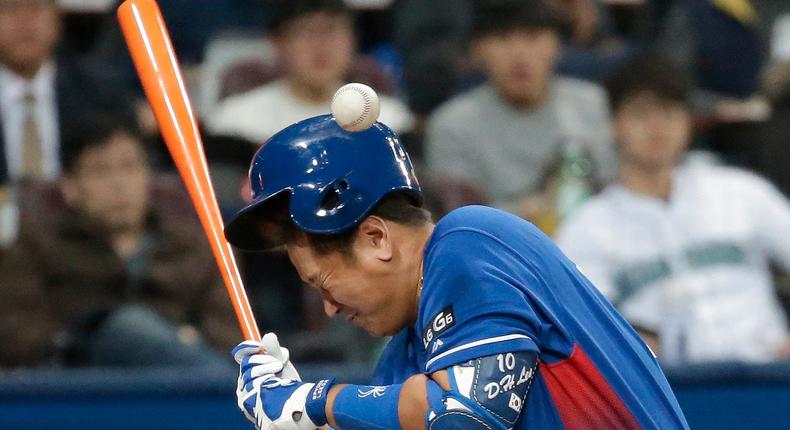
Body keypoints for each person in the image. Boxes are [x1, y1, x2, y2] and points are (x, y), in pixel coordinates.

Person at [222, 114, 688, 429]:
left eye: (323, 283)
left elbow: (466, 418)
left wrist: (315, 401)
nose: (327, 308)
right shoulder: (405, 357)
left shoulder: (469, 242)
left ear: (376, 238)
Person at [556, 53, 790, 364]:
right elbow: (581, 335)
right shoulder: (585, 228)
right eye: (642, 113)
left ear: (687, 122)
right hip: (671, 395)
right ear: (614, 124)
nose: (657, 127)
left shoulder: (741, 191)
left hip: (768, 376)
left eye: (669, 113)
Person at [0, 115, 239, 367]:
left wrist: (183, 342)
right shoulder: (35, 247)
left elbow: (230, 335)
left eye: (130, 167)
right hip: (82, 388)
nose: (119, 184)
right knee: (126, 325)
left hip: (184, 389)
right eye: (100, 170)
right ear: (70, 187)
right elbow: (15, 333)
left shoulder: (197, 246)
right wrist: (78, 341)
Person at [425, 0, 616, 218]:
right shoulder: (451, 124)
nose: (519, 54)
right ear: (478, 51)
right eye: (503, 38)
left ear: (557, 46)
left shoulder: (593, 104)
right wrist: (526, 213)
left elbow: (618, 193)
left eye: (532, 36)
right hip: (496, 246)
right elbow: (456, 219)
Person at [206, 0, 413, 144]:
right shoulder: (235, 121)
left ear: (353, 39)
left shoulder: (390, 120)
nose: (320, 46)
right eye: (306, 31)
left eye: (331, 30)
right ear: (277, 43)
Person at [0, 0, 134, 183]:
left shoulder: (101, 96)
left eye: (36, 7)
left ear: (58, 17)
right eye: (9, 8)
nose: (25, 20)